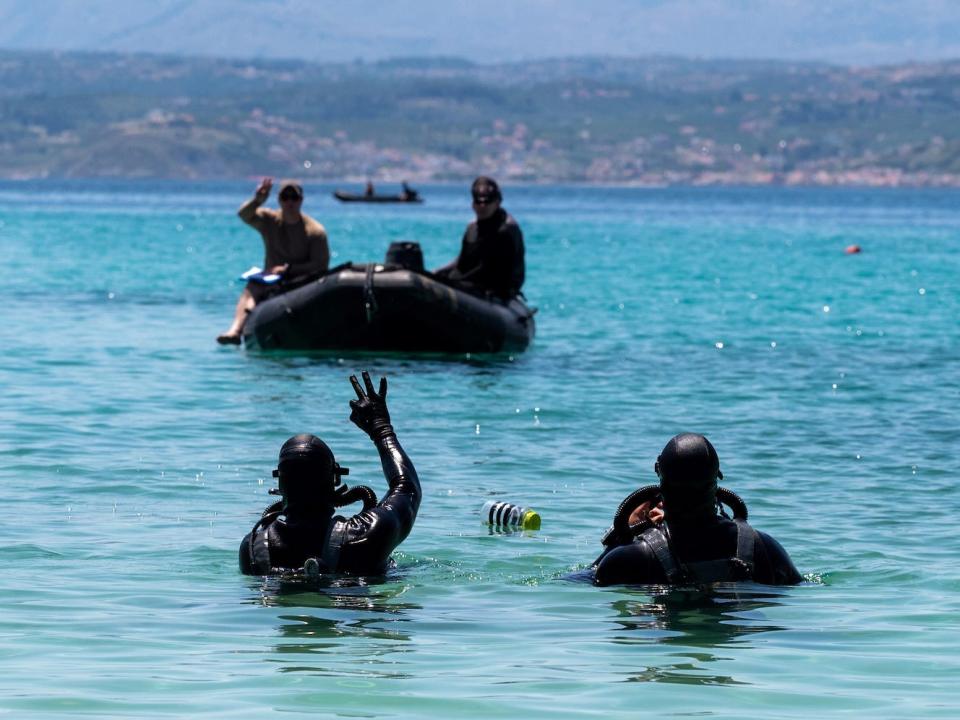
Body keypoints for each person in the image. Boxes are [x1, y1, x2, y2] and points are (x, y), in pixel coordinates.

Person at [239, 372, 421, 576]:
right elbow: (407, 488)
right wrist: (382, 429)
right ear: (334, 480)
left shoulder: (252, 549)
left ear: (281, 484)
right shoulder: (365, 534)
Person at [592, 433, 802, 586]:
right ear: (716, 477)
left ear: (660, 477)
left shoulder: (631, 557)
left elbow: (582, 581)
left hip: (666, 636)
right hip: (735, 640)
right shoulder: (764, 547)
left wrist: (627, 532)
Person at [217, 178, 329, 344]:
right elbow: (244, 215)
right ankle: (235, 331)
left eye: (294, 198)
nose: (289, 202)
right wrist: (257, 201)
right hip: (271, 280)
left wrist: (289, 269)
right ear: (279, 200)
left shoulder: (314, 231)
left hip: (300, 279)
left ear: (301, 201)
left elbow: (320, 265)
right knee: (252, 287)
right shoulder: (269, 220)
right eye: (285, 197)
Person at [434, 176, 524, 300]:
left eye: (487, 202)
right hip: (470, 286)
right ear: (473, 205)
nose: (482, 206)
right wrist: (437, 273)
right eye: (478, 202)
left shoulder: (506, 230)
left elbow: (501, 271)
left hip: (496, 290)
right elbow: (461, 262)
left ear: (497, 203)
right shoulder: (472, 229)